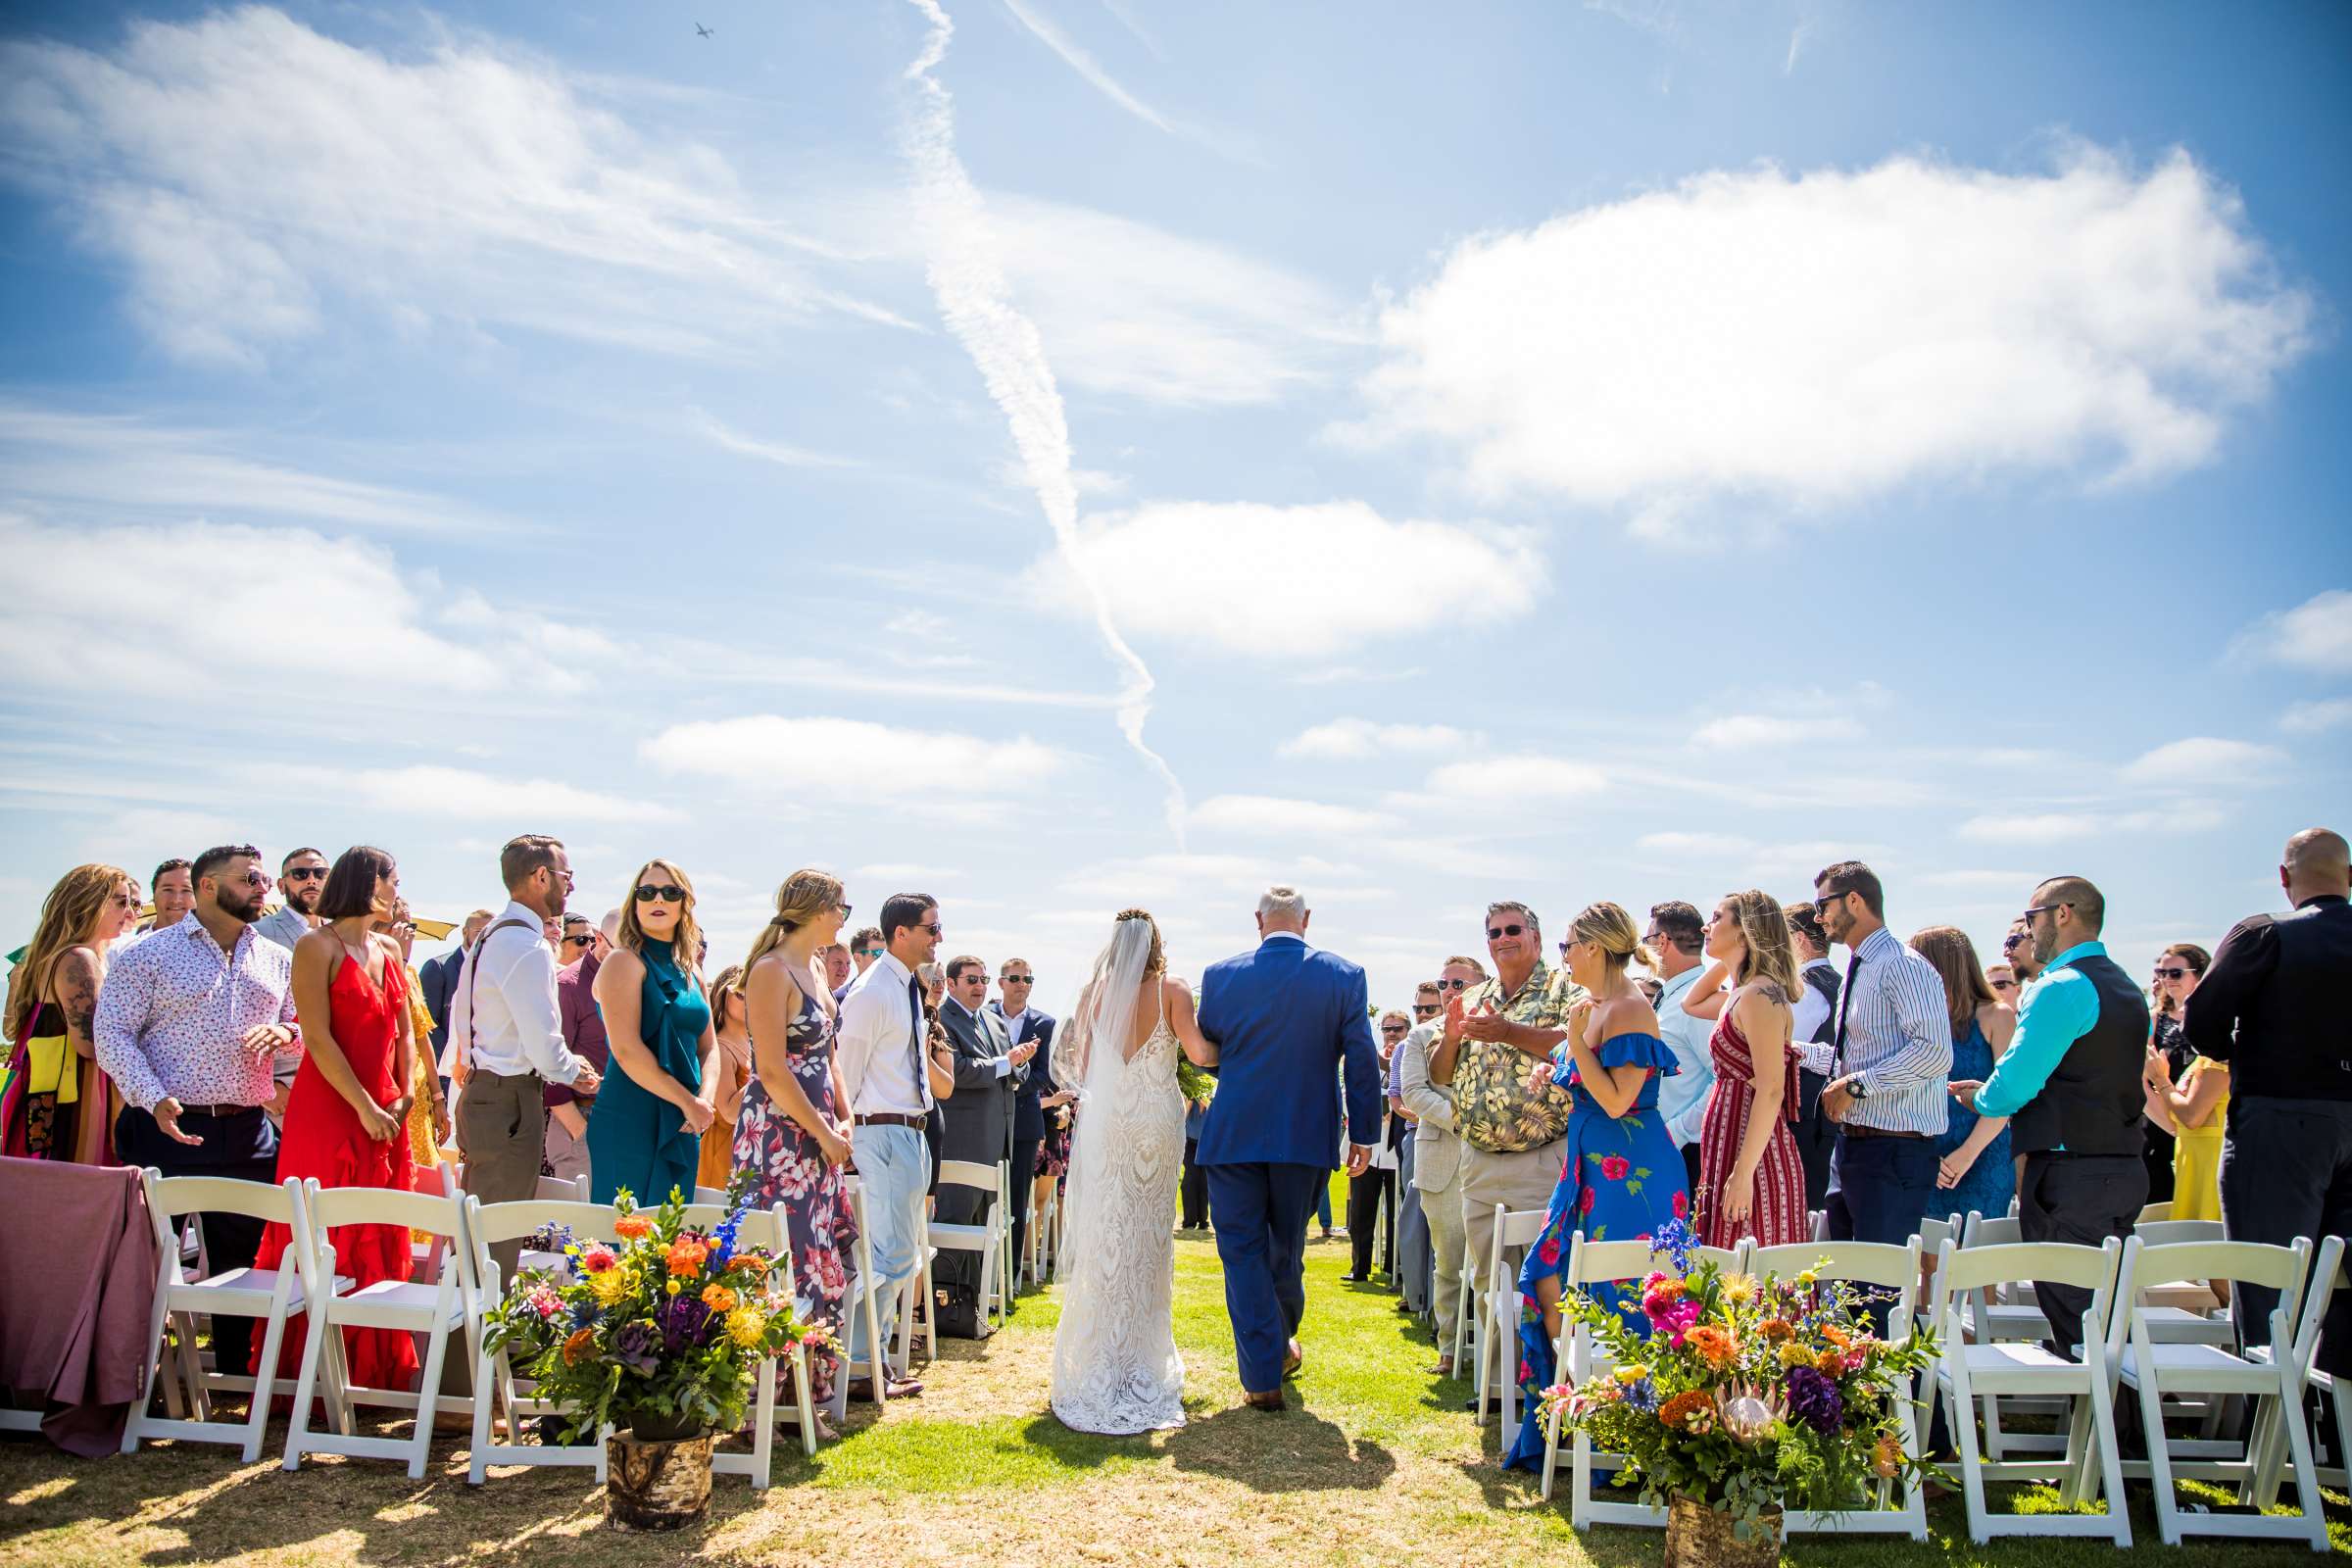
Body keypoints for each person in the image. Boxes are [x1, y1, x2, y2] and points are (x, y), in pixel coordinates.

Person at [94, 844, 301, 1378]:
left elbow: (304, 1034)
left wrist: (287, 1032)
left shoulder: (278, 959)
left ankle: (237, 1378)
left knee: (245, 1266)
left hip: (249, 1133)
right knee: (143, 1265)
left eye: (264, 878)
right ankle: (133, 1379)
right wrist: (150, 1094)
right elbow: (111, 1032)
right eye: (251, 878)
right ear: (208, 886)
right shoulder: (148, 954)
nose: (264, 887)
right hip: (161, 1128)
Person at [1506, 901, 1686, 1472]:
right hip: (1589, 1168)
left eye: (1566, 947)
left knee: (1625, 1293)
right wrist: (1556, 1062)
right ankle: (1585, 1416)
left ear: (1593, 948)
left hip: (1632, 1174)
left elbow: (1617, 1099)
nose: (1563, 958)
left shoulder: (1631, 1008)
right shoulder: (1595, 1006)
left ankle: (1622, 1438)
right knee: (1552, 1276)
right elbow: (1583, 1073)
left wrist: (1577, 1045)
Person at [1195, 886, 1381, 1413]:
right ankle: (1270, 1361)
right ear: (1306, 920)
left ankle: (1267, 1366)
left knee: (1242, 1250)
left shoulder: (1220, 975)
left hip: (1233, 1133)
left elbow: (1210, 1053)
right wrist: (1364, 1133)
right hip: (1305, 1132)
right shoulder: (1344, 975)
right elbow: (1361, 1060)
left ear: (1258, 920)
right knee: (1285, 1249)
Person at [1956, 876, 2148, 1362]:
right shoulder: (2126, 985)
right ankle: (2116, 1432)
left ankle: (2114, 1437)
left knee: (2079, 1329)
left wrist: (1979, 1098)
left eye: (2031, 917)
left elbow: (2015, 1086)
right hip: (2123, 1166)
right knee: (2107, 1322)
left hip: (2071, 1176)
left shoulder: (2060, 986)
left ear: (2062, 914)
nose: (2028, 927)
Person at [254, 847, 419, 1393]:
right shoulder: (313, 946)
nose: (398, 890)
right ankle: (312, 1380)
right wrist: (364, 1106)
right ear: (370, 883)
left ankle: (377, 1373)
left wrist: (401, 1096)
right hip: (330, 1109)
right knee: (326, 1228)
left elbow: (407, 1032)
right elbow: (318, 1039)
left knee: (378, 1226)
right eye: (393, 879)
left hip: (388, 1108)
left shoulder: (389, 947)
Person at [2186, 827, 2352, 1371]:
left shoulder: (2265, 933)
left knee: (2268, 1277)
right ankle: (2336, 1433)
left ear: (2284, 878)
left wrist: (2241, 1051)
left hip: (2282, 1117)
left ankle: (2279, 1426)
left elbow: (2202, 1018)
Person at [1050, 908, 1217, 1433]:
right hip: (1152, 1123)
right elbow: (1199, 1052)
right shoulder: (1173, 989)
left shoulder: (1092, 995)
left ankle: (1101, 1358)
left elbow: (1076, 1068)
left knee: (1106, 1235)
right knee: (1147, 1238)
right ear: (1156, 943)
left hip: (1106, 1123)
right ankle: (1140, 1361)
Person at [735, 869, 860, 1431]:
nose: (844, 918)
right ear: (816, 910)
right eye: (842, 908)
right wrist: (823, 1131)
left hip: (819, 1138)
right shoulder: (769, 971)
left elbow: (827, 1055)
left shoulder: (814, 968)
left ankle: (804, 1401)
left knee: (820, 1264)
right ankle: (768, 1403)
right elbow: (771, 1071)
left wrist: (845, 1110)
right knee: (782, 1265)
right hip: (778, 1141)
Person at [445, 835, 600, 1283]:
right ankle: (471, 1353)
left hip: (485, 1091)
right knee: (492, 1250)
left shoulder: (492, 935)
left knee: (477, 1241)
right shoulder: (527, 946)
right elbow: (544, 1047)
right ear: (540, 877)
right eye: (566, 876)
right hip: (510, 1099)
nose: (570, 887)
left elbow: (462, 1017)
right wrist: (579, 1073)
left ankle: (476, 1351)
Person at [1429, 904, 1581, 1336]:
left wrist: (1507, 1032)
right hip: (1478, 1159)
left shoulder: (1565, 991)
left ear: (1535, 936)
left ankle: (1545, 1387)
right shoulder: (1473, 998)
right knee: (1488, 1281)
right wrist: (1453, 1038)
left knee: (1545, 1277)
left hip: (1542, 1155)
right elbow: (1441, 1074)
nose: (1502, 939)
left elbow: (1575, 1046)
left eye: (1513, 929)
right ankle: (1497, 1392)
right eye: (1493, 933)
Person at [1802, 860, 1951, 1248]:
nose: (1818, 918)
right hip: (1853, 1148)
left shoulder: (1902, 965)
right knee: (1848, 1292)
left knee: (1879, 1292)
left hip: (1894, 1152)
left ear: (1854, 900)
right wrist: (1790, 1053)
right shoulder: (1860, 966)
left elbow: (1934, 1053)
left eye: (1823, 906)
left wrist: (1855, 1086)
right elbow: (1851, 1060)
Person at [834, 892, 945, 1399]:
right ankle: (860, 1365)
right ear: (901, 933)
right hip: (877, 1133)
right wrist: (847, 1140)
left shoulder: (905, 987)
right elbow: (846, 1074)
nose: (938, 937)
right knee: (889, 1255)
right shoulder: (873, 992)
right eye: (930, 928)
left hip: (910, 1132)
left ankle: (867, 1361)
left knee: (899, 1254)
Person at [1680, 892, 1808, 1250]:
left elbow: (1771, 1089)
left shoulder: (1758, 996)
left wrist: (1742, 1174)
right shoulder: (1742, 992)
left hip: (1754, 1154)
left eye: (1717, 917)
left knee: (1751, 1270)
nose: (1706, 926)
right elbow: (1690, 1003)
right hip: (1728, 1141)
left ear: (1744, 930)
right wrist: (1730, 960)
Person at [587, 859, 716, 1209]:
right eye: (647, 892)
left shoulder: (693, 973)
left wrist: (703, 1102)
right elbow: (627, 1050)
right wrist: (689, 1102)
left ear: (684, 903)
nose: (658, 900)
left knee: (672, 1244)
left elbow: (710, 1048)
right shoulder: (622, 962)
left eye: (670, 892)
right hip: (630, 1116)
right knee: (623, 1245)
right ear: (635, 902)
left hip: (685, 1122)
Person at [1, 863, 139, 1161]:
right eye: (121, 901)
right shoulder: (79, 958)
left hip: (44, 1092)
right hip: (78, 1097)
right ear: (89, 902)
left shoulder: (50, 956)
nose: (129, 913)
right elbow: (91, 1045)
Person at [936, 955, 1035, 1334]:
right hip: (962, 1143)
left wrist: (1019, 1061)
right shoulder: (944, 1020)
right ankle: (946, 1309)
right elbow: (957, 1071)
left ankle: (975, 1306)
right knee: (955, 1225)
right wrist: (1004, 1063)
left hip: (998, 1142)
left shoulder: (993, 1020)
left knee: (986, 1231)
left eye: (983, 979)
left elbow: (1008, 1071)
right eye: (971, 979)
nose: (979, 985)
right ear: (951, 983)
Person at [1397, 957, 1482, 1375]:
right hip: (1441, 1157)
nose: (1449, 989)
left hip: (1495, 1159)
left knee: (1493, 1260)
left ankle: (1492, 1352)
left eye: (1459, 982)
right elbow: (1413, 1093)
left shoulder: (1496, 1032)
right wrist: (1465, 1119)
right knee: (1448, 1262)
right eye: (1444, 982)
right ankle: (1449, 1348)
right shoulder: (1420, 1035)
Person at [1912, 925, 2017, 1222]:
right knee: (1926, 1256)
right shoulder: (1917, 1020)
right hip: (1929, 1157)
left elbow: (2006, 1099)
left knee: (1980, 1257)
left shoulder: (1997, 1015)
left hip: (1983, 1153)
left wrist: (1967, 1154)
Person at [989, 956, 1058, 1285]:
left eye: (1027, 979)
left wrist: (1010, 1081)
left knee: (1017, 1201)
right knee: (986, 1199)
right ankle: (981, 1277)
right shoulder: (984, 1016)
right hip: (986, 1120)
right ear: (1000, 982)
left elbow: (1045, 1074)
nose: (1021, 984)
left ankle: (1009, 1279)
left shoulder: (1046, 1023)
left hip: (1025, 1123)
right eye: (1014, 978)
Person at [1645, 901, 1718, 1194]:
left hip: (1687, 1153)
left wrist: (1676, 1132)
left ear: (1662, 942)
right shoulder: (1673, 996)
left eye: (1647, 940)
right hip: (1665, 1146)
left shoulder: (1700, 1002)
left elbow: (1721, 1078)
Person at [253, 847, 328, 1122]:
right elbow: (244, 1014)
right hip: (281, 1084)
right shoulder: (259, 932)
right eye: (301, 873)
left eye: (319, 873)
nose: (311, 880)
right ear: (282, 884)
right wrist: (267, 1087)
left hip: (334, 1078)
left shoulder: (340, 934)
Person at [1345, 1010, 1410, 1284]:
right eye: (1387, 1029)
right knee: (1361, 1211)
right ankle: (1359, 1267)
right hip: (1369, 1145)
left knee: (1398, 1213)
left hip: (1397, 1149)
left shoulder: (1412, 1057)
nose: (1392, 1033)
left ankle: (1394, 1266)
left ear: (1407, 1029)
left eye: (1397, 1028)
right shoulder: (1367, 1060)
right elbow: (1352, 1093)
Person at [2141, 943, 2208, 1204]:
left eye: (2175, 973)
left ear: (2200, 974)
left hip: (2205, 1126)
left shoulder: (2219, 1020)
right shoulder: (2153, 1020)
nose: (2166, 979)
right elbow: (2140, 1081)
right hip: (2160, 1124)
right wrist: (2173, 1128)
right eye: (2161, 972)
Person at [547, 913, 610, 1186]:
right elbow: (550, 1059)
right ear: (600, 940)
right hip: (581, 1118)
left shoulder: (629, 980)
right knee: (577, 1224)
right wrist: (578, 1129)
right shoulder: (568, 985)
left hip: (619, 1119)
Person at [700, 964, 753, 1195]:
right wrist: (765, 1069)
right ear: (723, 995)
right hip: (724, 1149)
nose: (749, 999)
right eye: (740, 994)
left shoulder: (750, 1043)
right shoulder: (721, 1048)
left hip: (747, 1147)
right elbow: (729, 1112)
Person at [416, 909, 492, 1069]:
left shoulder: (494, 971)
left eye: (491, 934)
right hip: (446, 1068)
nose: (486, 939)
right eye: (479, 932)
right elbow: (428, 1024)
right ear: (465, 932)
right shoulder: (438, 967)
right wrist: (453, 1060)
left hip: (483, 1066)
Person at [147, 858, 195, 935]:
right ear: (153, 896)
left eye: (186, 890)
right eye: (168, 890)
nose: (176, 900)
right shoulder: (131, 946)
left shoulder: (213, 945)